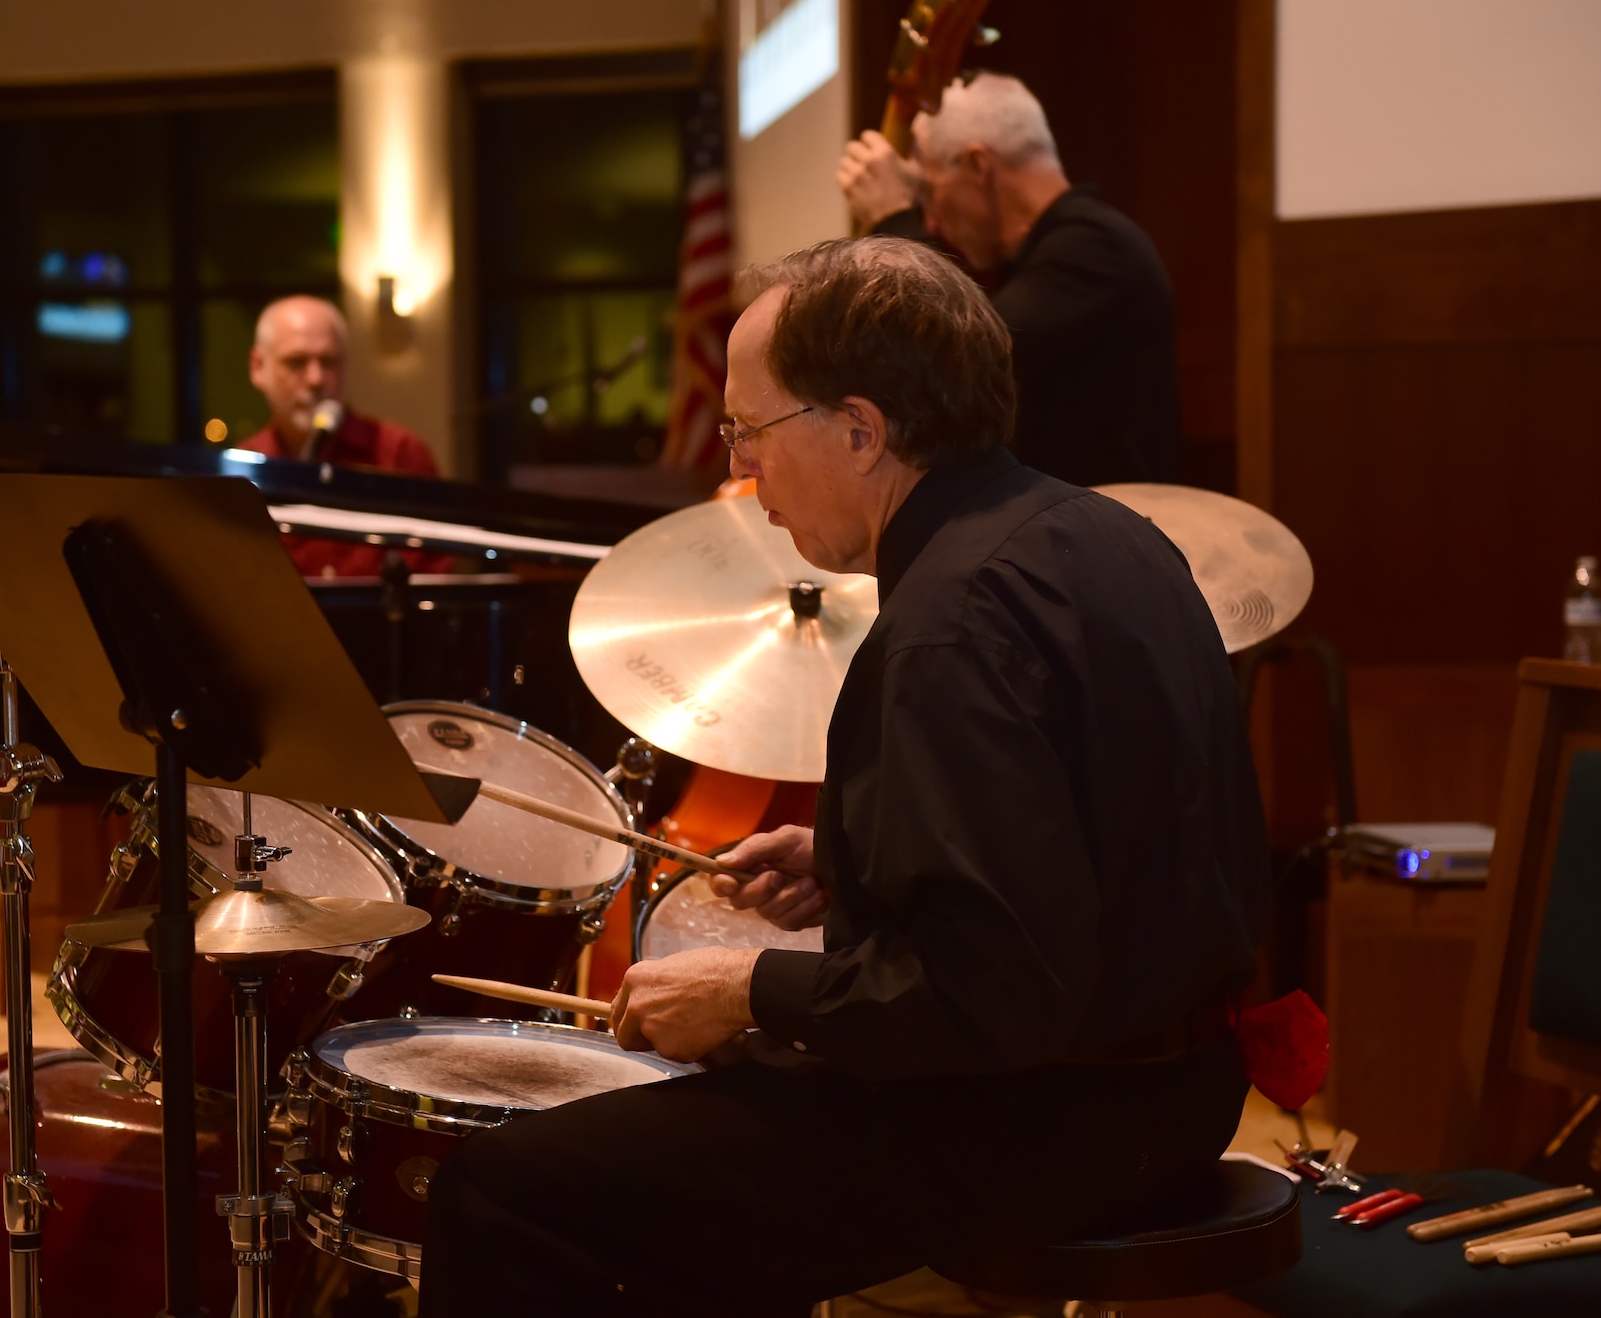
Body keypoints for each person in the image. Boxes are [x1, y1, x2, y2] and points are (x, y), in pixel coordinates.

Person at [416, 237, 1270, 1317]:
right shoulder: (1108, 534)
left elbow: (986, 994)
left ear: (861, 430)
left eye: (749, 430)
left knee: (503, 1191)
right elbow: (1110, 841)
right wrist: (849, 851)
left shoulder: (946, 625)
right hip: (1180, 1089)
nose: (739, 471)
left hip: (1044, 1122)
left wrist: (744, 987)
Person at [837, 73, 1182, 488]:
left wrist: (896, 218)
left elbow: (967, 356)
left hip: (1107, 530)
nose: (932, 220)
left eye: (930, 192)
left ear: (979, 166)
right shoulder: (1061, 250)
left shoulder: (1096, 247)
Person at [238, 294, 440, 578]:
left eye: (329, 362)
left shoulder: (400, 454)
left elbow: (433, 572)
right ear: (258, 368)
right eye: (296, 362)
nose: (316, 379)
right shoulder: (242, 472)